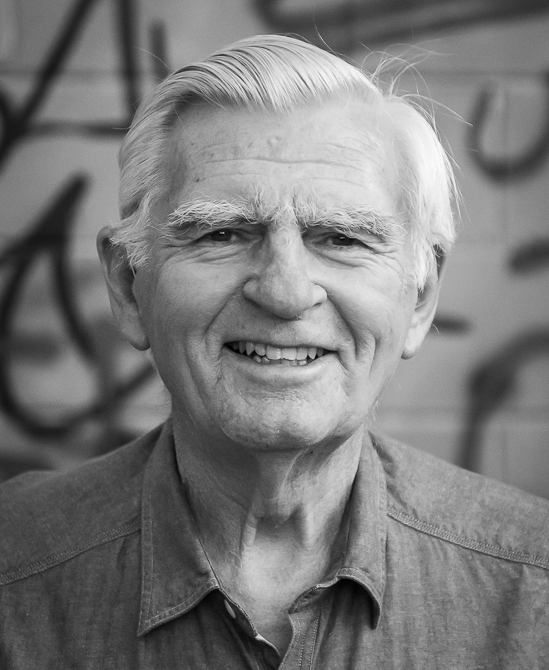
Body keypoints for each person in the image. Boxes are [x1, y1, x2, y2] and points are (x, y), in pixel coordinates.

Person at [0, 34, 548, 669]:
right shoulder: (15, 570)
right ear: (128, 285)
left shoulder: (530, 588)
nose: (285, 293)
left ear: (420, 295)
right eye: (222, 233)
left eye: (341, 238)